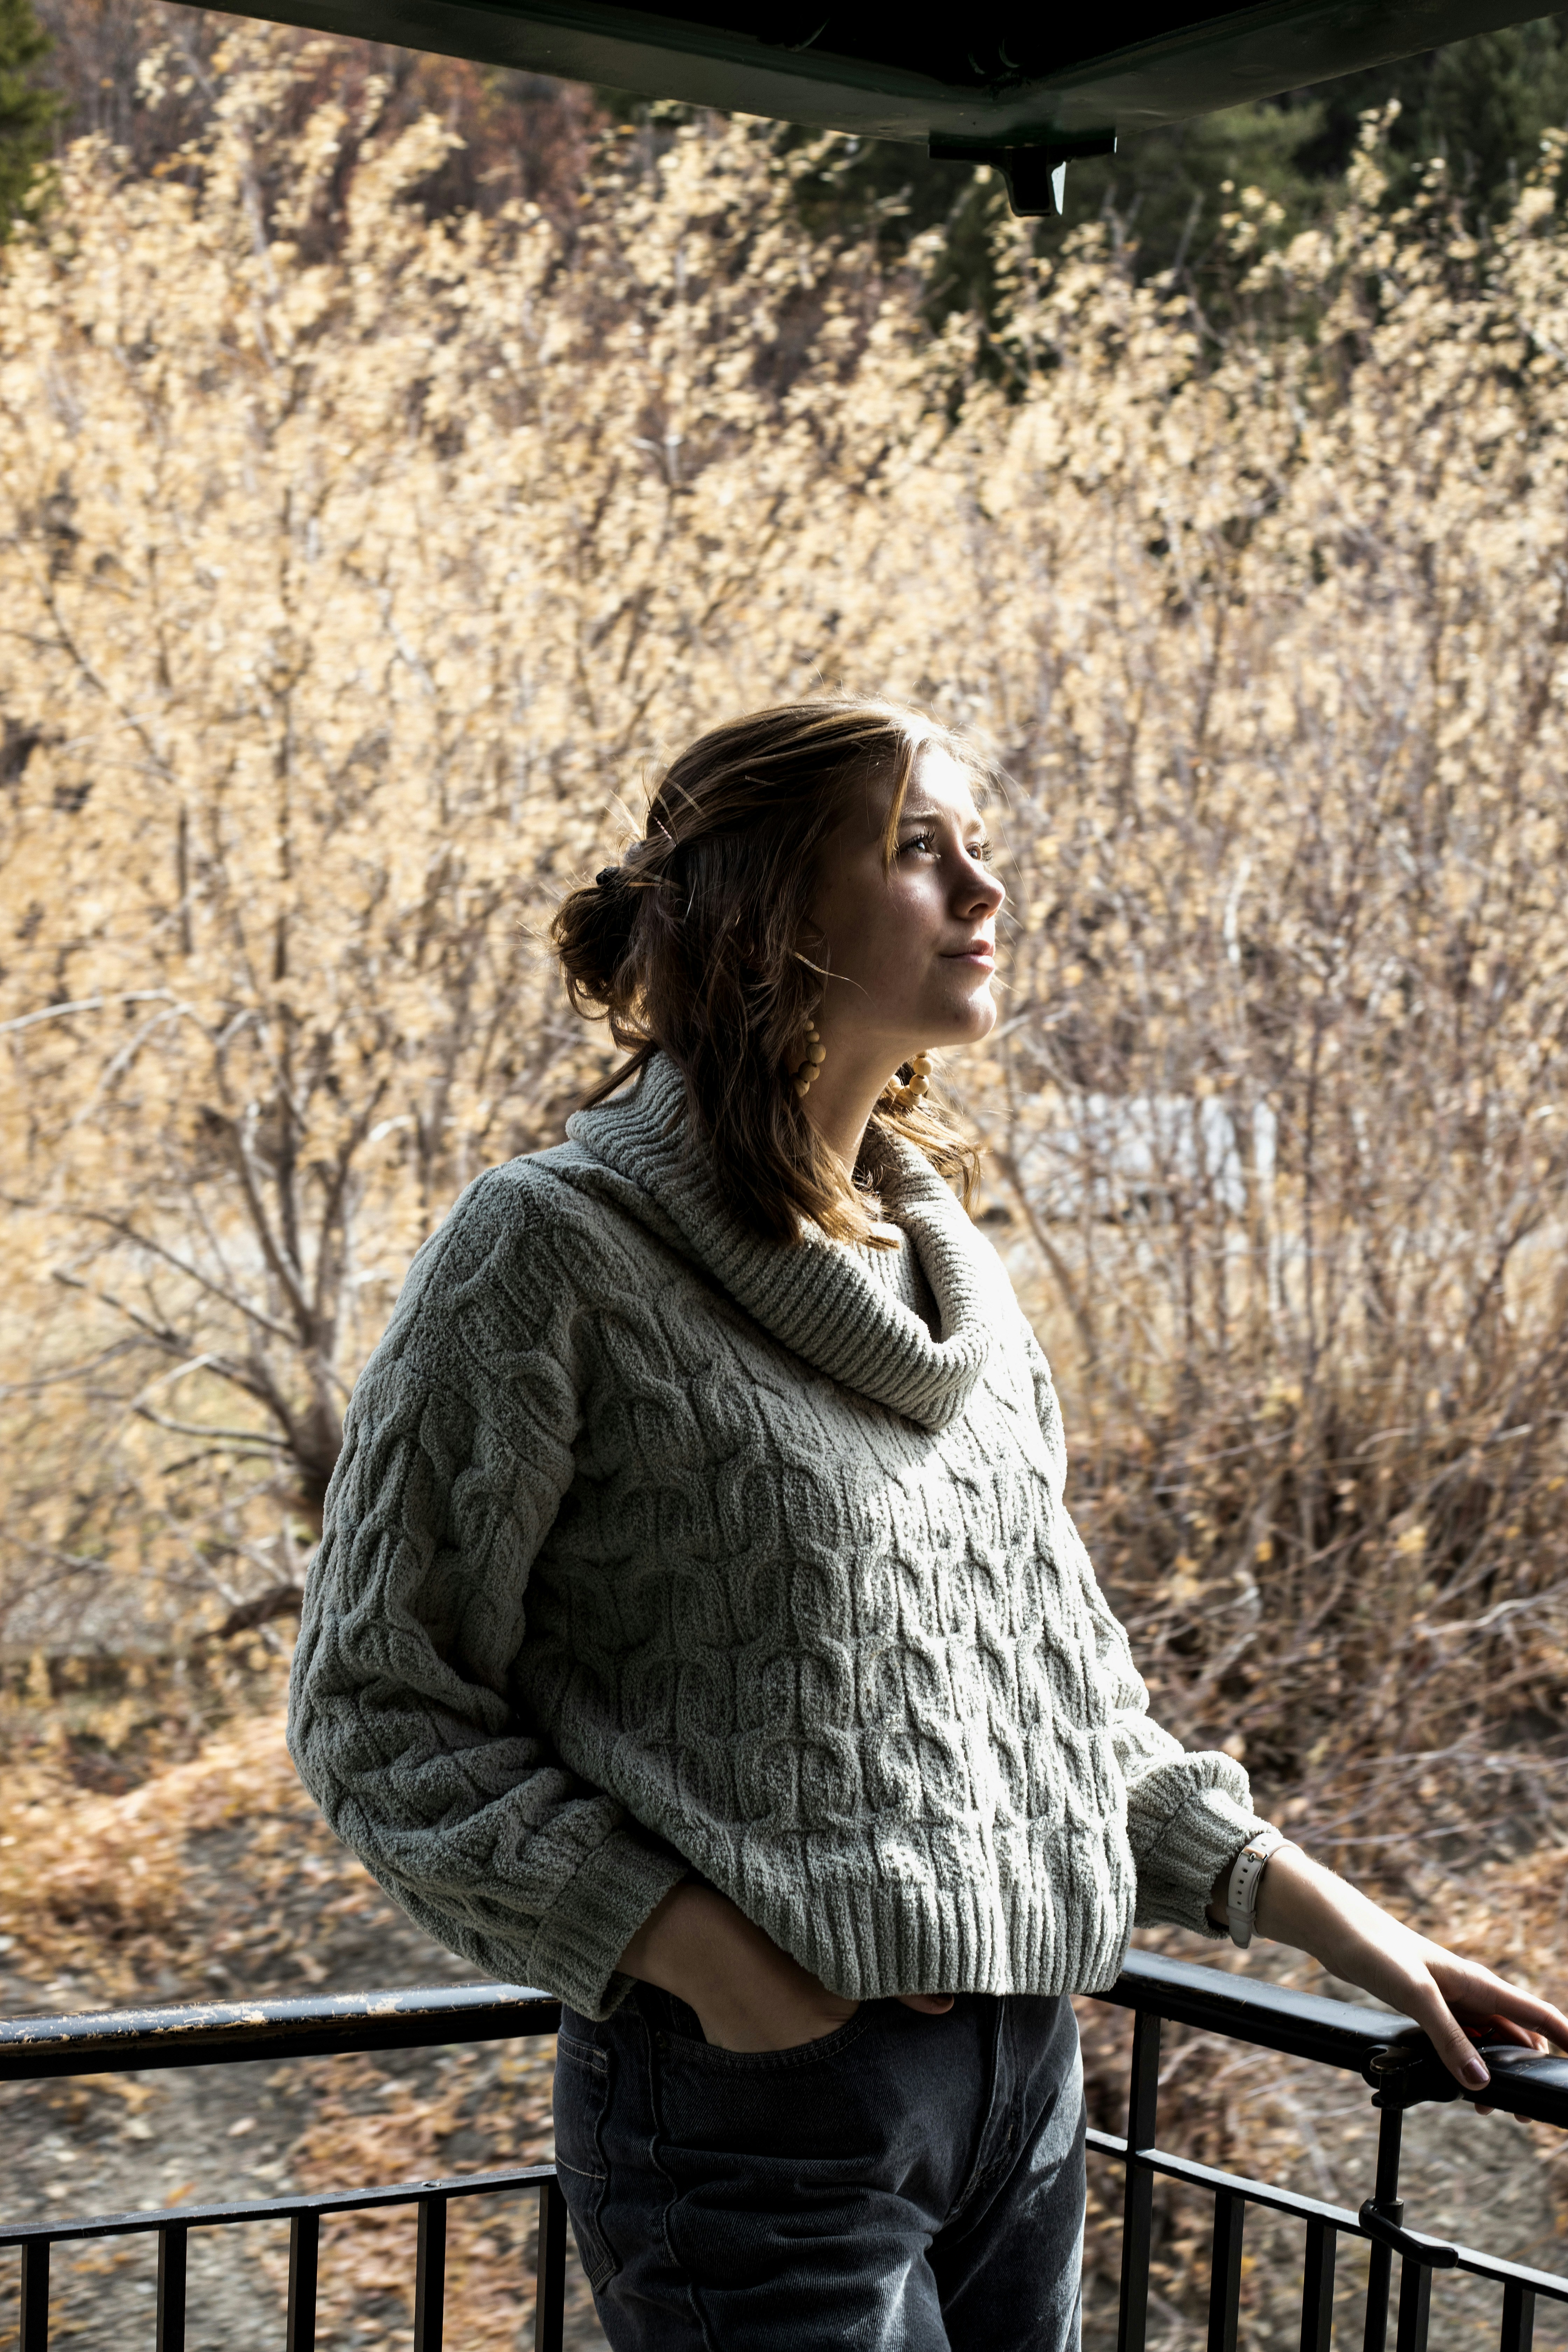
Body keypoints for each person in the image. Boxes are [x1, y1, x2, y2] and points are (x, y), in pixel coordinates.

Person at [288, 698, 1567, 2352]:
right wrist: (709, 1961)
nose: (985, 892)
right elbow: (376, 1706)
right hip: (755, 2104)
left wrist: (1369, 1943)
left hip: (1030, 2087)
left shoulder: (958, 1286)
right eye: (915, 848)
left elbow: (1064, 1725)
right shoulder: (548, 1253)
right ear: (763, 914)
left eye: (979, 846)